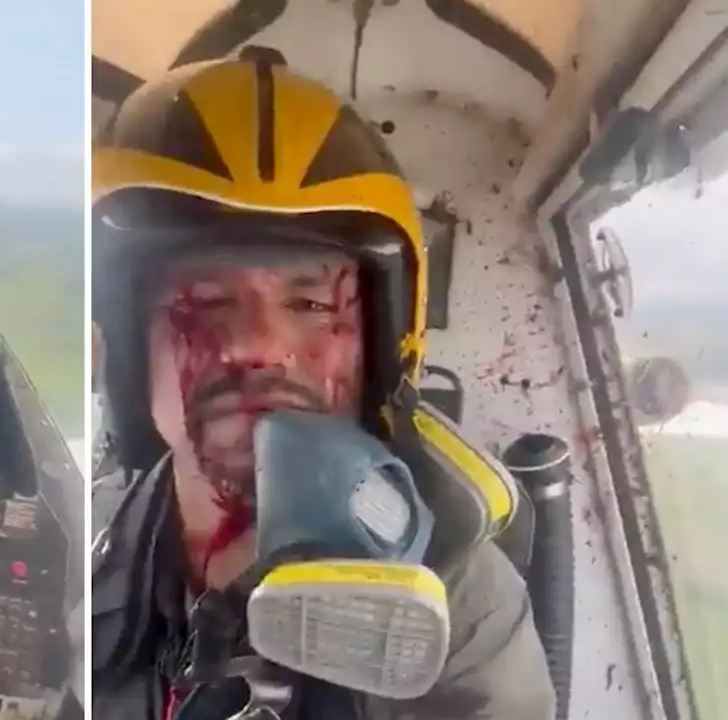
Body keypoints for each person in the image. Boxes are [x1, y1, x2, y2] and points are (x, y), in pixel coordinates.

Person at [90, 50, 555, 719]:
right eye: (204, 302)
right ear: (127, 351)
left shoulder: (461, 607)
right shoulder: (92, 538)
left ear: (383, 350)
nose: (258, 345)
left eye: (310, 305)